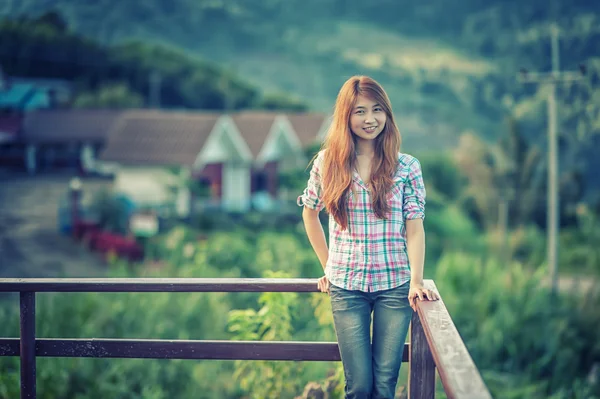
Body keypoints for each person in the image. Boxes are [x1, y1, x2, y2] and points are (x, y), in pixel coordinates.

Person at [297, 75, 439, 399]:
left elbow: (415, 228)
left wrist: (416, 281)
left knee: (384, 385)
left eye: (377, 110)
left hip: (394, 285)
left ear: (387, 114)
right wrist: (328, 266)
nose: (370, 119)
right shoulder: (327, 163)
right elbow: (310, 213)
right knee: (359, 386)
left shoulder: (406, 167)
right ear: (346, 116)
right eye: (360, 111)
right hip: (346, 287)